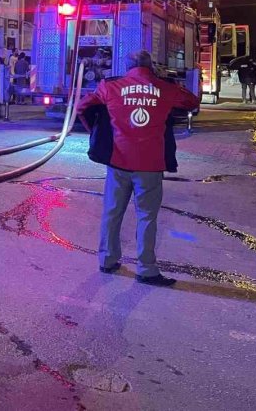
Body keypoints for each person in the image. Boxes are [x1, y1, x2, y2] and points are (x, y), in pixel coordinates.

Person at [77, 50, 200, 286]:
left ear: (127, 66)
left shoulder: (110, 87)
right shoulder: (165, 88)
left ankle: (107, 260)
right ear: (151, 66)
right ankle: (146, 269)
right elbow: (192, 102)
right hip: (150, 166)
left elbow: (82, 107)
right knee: (147, 217)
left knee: (112, 213)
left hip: (118, 162)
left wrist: (95, 133)